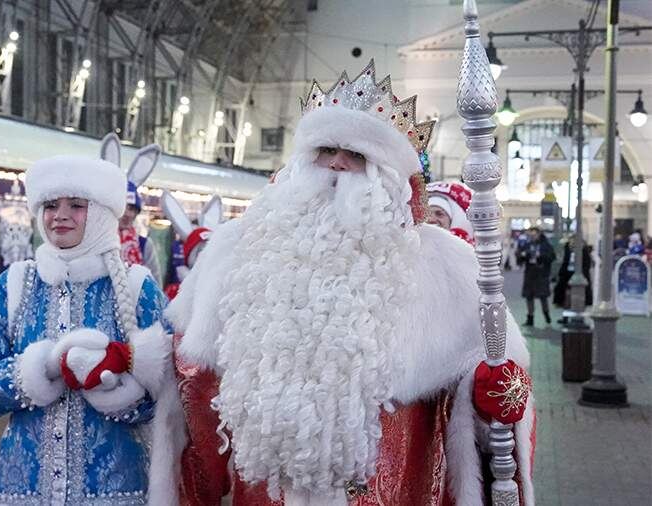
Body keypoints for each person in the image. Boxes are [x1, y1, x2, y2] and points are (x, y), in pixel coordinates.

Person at [168, 61, 535, 505]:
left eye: (357, 156)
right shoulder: (236, 251)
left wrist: (495, 397)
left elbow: (498, 387)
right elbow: (191, 383)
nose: (337, 164)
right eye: (325, 150)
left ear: (390, 180)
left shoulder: (446, 266)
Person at [0, 154, 183, 505]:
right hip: (22, 493)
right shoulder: (13, 285)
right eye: (50, 205)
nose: (60, 215)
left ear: (101, 214)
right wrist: (42, 368)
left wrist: (112, 386)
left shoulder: (138, 287)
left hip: (114, 493)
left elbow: (174, 392)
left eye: (76, 205)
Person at [99, 133, 162, 278]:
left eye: (133, 209)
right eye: (125, 206)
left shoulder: (145, 245)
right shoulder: (98, 241)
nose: (128, 213)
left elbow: (155, 282)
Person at [518, 227, 555, 326]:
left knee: (543, 296)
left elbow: (552, 257)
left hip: (541, 273)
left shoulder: (546, 245)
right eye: (531, 235)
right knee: (529, 296)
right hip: (530, 273)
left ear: (539, 234)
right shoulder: (527, 244)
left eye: (534, 235)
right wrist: (523, 255)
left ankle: (546, 314)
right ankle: (530, 318)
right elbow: (520, 256)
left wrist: (541, 256)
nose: (532, 237)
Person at [553, 234, 593, 310]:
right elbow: (565, 261)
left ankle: (582, 305)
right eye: (571, 241)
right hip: (567, 272)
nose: (572, 243)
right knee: (562, 288)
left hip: (580, 273)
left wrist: (583, 272)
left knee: (582, 290)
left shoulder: (583, 250)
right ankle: (561, 305)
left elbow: (587, 263)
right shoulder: (567, 249)